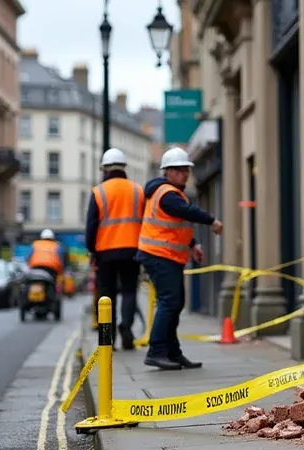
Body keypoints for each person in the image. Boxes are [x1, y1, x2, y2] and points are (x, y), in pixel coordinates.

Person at [136, 147, 222, 370]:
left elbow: (177, 226)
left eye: (186, 169)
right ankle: (156, 351)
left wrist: (193, 244)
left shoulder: (172, 194)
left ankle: (173, 353)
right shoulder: (167, 194)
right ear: (168, 172)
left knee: (175, 304)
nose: (185, 174)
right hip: (159, 256)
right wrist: (212, 220)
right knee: (170, 302)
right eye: (180, 170)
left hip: (167, 256)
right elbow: (188, 212)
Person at [85, 147, 145, 350]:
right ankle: (126, 326)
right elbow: (145, 221)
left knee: (106, 295)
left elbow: (91, 225)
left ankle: (106, 338)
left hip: (105, 252)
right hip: (132, 249)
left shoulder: (99, 191)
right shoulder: (137, 190)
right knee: (129, 291)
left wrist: (92, 250)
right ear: (124, 168)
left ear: (105, 169)